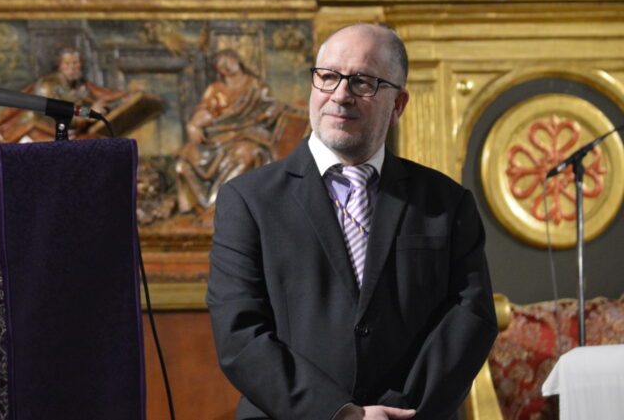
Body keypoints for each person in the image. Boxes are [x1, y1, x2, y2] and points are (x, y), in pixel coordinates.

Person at [206, 23, 497, 420]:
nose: (340, 95)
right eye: (327, 77)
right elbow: (240, 336)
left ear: (398, 105)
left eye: (363, 82)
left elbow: (471, 317)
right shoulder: (248, 200)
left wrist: (399, 412)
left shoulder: (447, 202)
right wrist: (342, 415)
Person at [174, 49, 286, 214]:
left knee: (248, 154)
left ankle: (219, 205)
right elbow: (205, 111)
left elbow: (271, 107)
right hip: (215, 138)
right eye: (220, 65)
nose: (225, 67)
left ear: (237, 60)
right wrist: (193, 125)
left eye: (227, 62)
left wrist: (265, 115)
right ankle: (201, 205)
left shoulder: (255, 86)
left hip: (244, 135)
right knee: (184, 160)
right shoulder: (215, 89)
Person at [0, 46, 129, 142]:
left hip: (68, 133)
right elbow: (54, 117)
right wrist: (87, 116)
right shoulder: (48, 86)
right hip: (41, 132)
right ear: (60, 66)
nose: (72, 67)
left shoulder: (80, 84)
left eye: (76, 63)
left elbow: (102, 95)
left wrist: (118, 100)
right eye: (67, 63)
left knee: (101, 142)